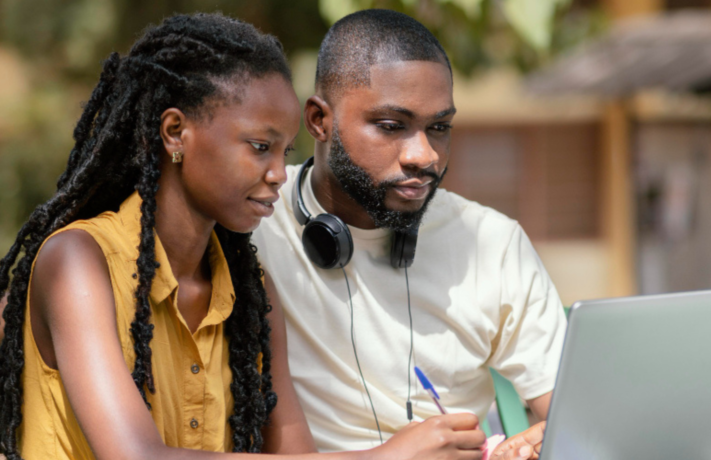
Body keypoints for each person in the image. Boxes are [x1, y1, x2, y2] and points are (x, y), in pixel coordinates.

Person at [0, 13, 485, 460]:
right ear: (175, 132)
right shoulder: (78, 262)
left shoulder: (250, 290)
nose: (278, 173)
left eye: (284, 151)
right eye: (259, 147)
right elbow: (136, 456)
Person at [251, 9, 567, 460]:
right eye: (391, 126)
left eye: (439, 128)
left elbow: (573, 415)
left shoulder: (492, 243)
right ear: (319, 121)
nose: (425, 156)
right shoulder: (252, 227)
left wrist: (545, 439)